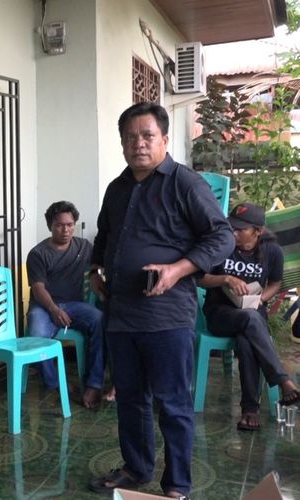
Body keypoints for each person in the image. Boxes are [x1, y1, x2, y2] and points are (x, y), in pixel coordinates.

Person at [88, 102, 234, 499]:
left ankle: (177, 485)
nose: (139, 144)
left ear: (164, 140)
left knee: (172, 404)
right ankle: (137, 469)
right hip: (120, 315)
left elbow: (222, 236)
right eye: (130, 137)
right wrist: (94, 270)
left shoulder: (184, 183)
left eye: (147, 135)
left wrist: (179, 269)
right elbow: (104, 236)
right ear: (122, 143)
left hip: (166, 316)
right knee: (130, 400)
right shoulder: (117, 188)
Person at [200, 202, 300, 430]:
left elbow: (275, 283)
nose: (233, 232)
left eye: (240, 229)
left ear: (258, 231)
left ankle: (249, 411)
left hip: (253, 312)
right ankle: (283, 381)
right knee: (250, 320)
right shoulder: (221, 245)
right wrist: (225, 279)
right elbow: (199, 277)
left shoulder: (271, 251)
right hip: (220, 313)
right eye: (231, 227)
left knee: (247, 339)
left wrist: (260, 299)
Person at [26, 201, 105, 409]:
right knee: (36, 330)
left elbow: (99, 263)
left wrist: (97, 275)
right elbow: (38, 288)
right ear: (50, 225)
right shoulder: (38, 253)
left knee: (100, 320)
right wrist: (53, 309)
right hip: (44, 306)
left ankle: (94, 383)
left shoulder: (83, 247)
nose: (66, 230)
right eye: (60, 225)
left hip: (74, 305)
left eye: (70, 224)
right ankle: (55, 383)